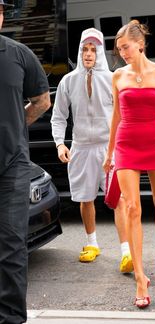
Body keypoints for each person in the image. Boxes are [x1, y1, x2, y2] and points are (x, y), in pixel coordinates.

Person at [103, 20, 155, 308]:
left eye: (125, 47)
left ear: (140, 44)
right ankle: (140, 276)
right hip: (126, 142)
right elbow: (115, 117)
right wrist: (109, 152)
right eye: (118, 49)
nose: (122, 53)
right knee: (131, 206)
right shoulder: (117, 76)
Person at [51, 28, 133, 273]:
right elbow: (59, 117)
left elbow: (123, 116)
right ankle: (92, 243)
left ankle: (126, 251)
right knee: (85, 199)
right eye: (85, 49)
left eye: (93, 49)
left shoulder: (112, 79)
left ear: (99, 52)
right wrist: (59, 143)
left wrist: (121, 146)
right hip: (81, 147)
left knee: (118, 199)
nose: (88, 54)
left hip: (108, 148)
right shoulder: (69, 81)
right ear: (79, 51)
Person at [0, 1, 51, 323]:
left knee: (11, 246)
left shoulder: (19, 54)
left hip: (12, 167)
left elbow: (42, 100)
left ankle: (11, 319)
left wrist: (17, 124)